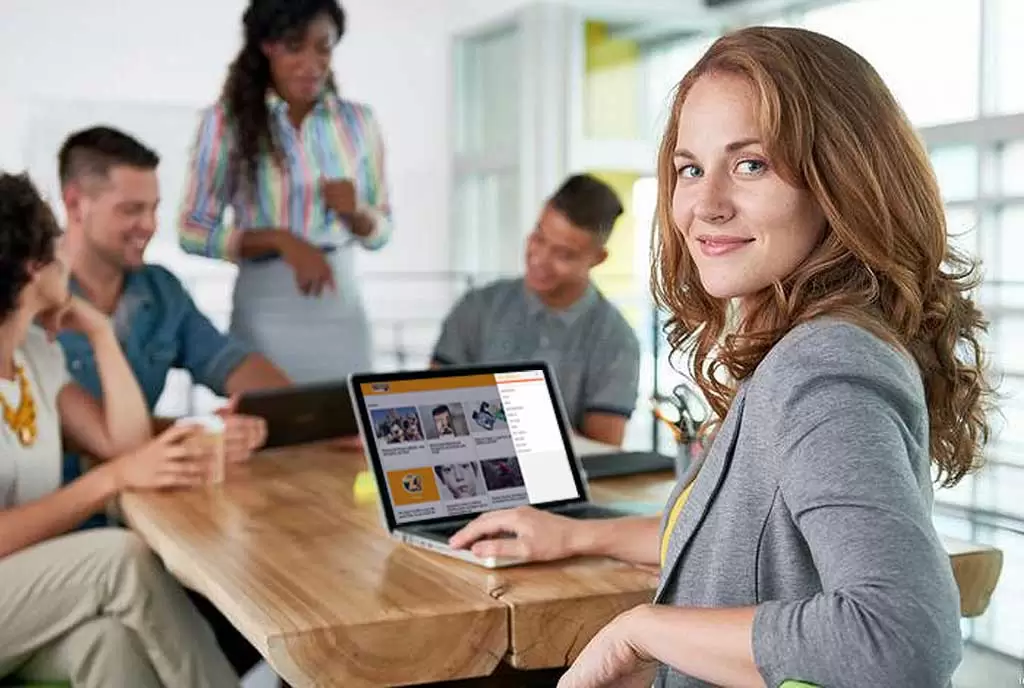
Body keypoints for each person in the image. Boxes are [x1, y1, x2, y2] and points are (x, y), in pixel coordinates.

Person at [451, 26, 990, 688]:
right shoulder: (802, 349)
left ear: (839, 179)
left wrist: (638, 632)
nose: (704, 206)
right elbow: (729, 541)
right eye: (690, 169)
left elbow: (901, 636)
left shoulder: (826, 365)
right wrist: (573, 536)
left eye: (750, 163)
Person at [56, 126, 288, 681]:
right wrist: (199, 429)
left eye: (155, 208)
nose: (149, 226)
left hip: (159, 516)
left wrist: (279, 409)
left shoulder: (159, 290)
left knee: (270, 589)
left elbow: (235, 365)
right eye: (131, 209)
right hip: (71, 530)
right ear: (74, 204)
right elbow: (95, 433)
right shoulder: (34, 298)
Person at [0, 172, 238, 687]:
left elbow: (124, 444)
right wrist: (112, 479)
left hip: (20, 596)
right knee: (121, 558)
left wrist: (102, 334)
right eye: (56, 245)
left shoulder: (34, 357)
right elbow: (122, 466)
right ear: (33, 266)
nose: (68, 256)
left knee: (110, 643)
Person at [178, 0, 392, 384]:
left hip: (341, 308)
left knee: (349, 434)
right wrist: (281, 240)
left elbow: (382, 232)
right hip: (266, 309)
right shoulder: (224, 122)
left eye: (323, 47)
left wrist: (358, 212)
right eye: (295, 46)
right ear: (267, 47)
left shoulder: (359, 123)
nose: (312, 63)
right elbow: (192, 230)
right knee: (269, 431)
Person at [432, 175, 640, 447]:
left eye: (563, 254)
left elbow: (603, 452)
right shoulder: (477, 308)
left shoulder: (616, 340)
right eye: (538, 237)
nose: (540, 259)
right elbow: (433, 409)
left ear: (597, 259)